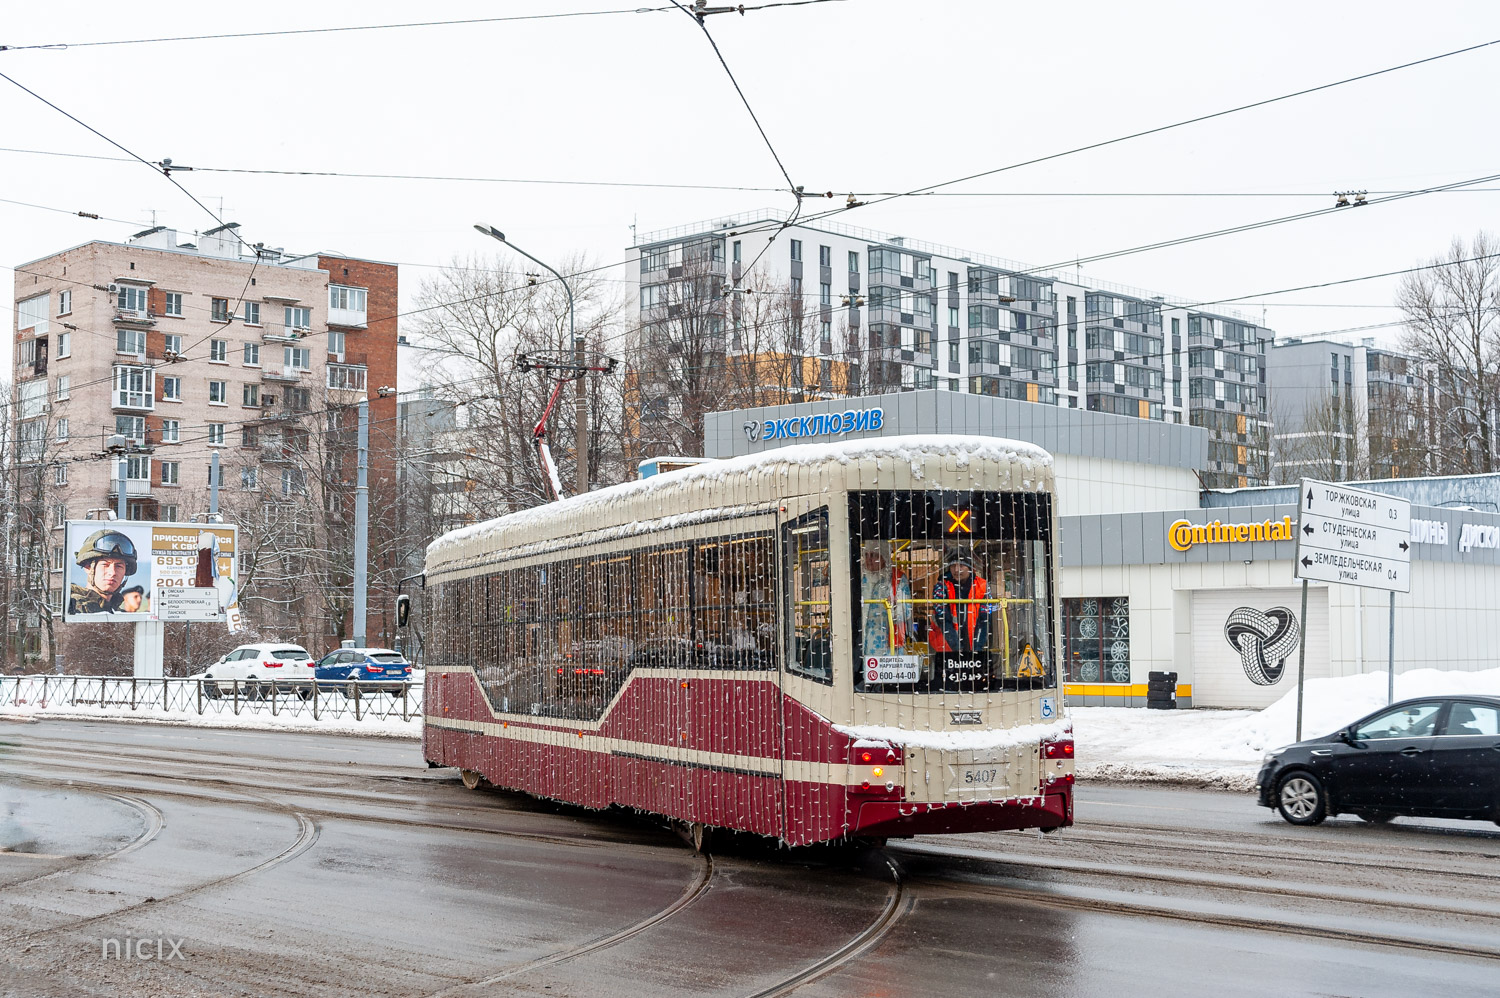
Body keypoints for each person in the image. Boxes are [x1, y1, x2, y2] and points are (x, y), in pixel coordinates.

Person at [928, 551, 990, 685]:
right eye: (953, 566)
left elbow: (984, 621)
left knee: (974, 684)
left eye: (961, 565)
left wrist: (976, 651)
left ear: (970, 567)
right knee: (945, 685)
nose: (956, 570)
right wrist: (958, 650)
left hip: (972, 648)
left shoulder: (983, 586)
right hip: (945, 648)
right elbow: (943, 619)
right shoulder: (941, 586)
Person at [859, 541, 913, 656]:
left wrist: (894, 607)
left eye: (873, 555)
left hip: (888, 639)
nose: (869, 560)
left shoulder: (897, 579)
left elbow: (907, 611)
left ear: (884, 557)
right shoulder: (859, 577)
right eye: (866, 555)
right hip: (861, 639)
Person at [68, 529, 138, 615]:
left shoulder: (119, 613)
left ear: (125, 572)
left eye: (119, 566)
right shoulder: (70, 606)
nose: (112, 573)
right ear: (88, 567)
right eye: (105, 565)